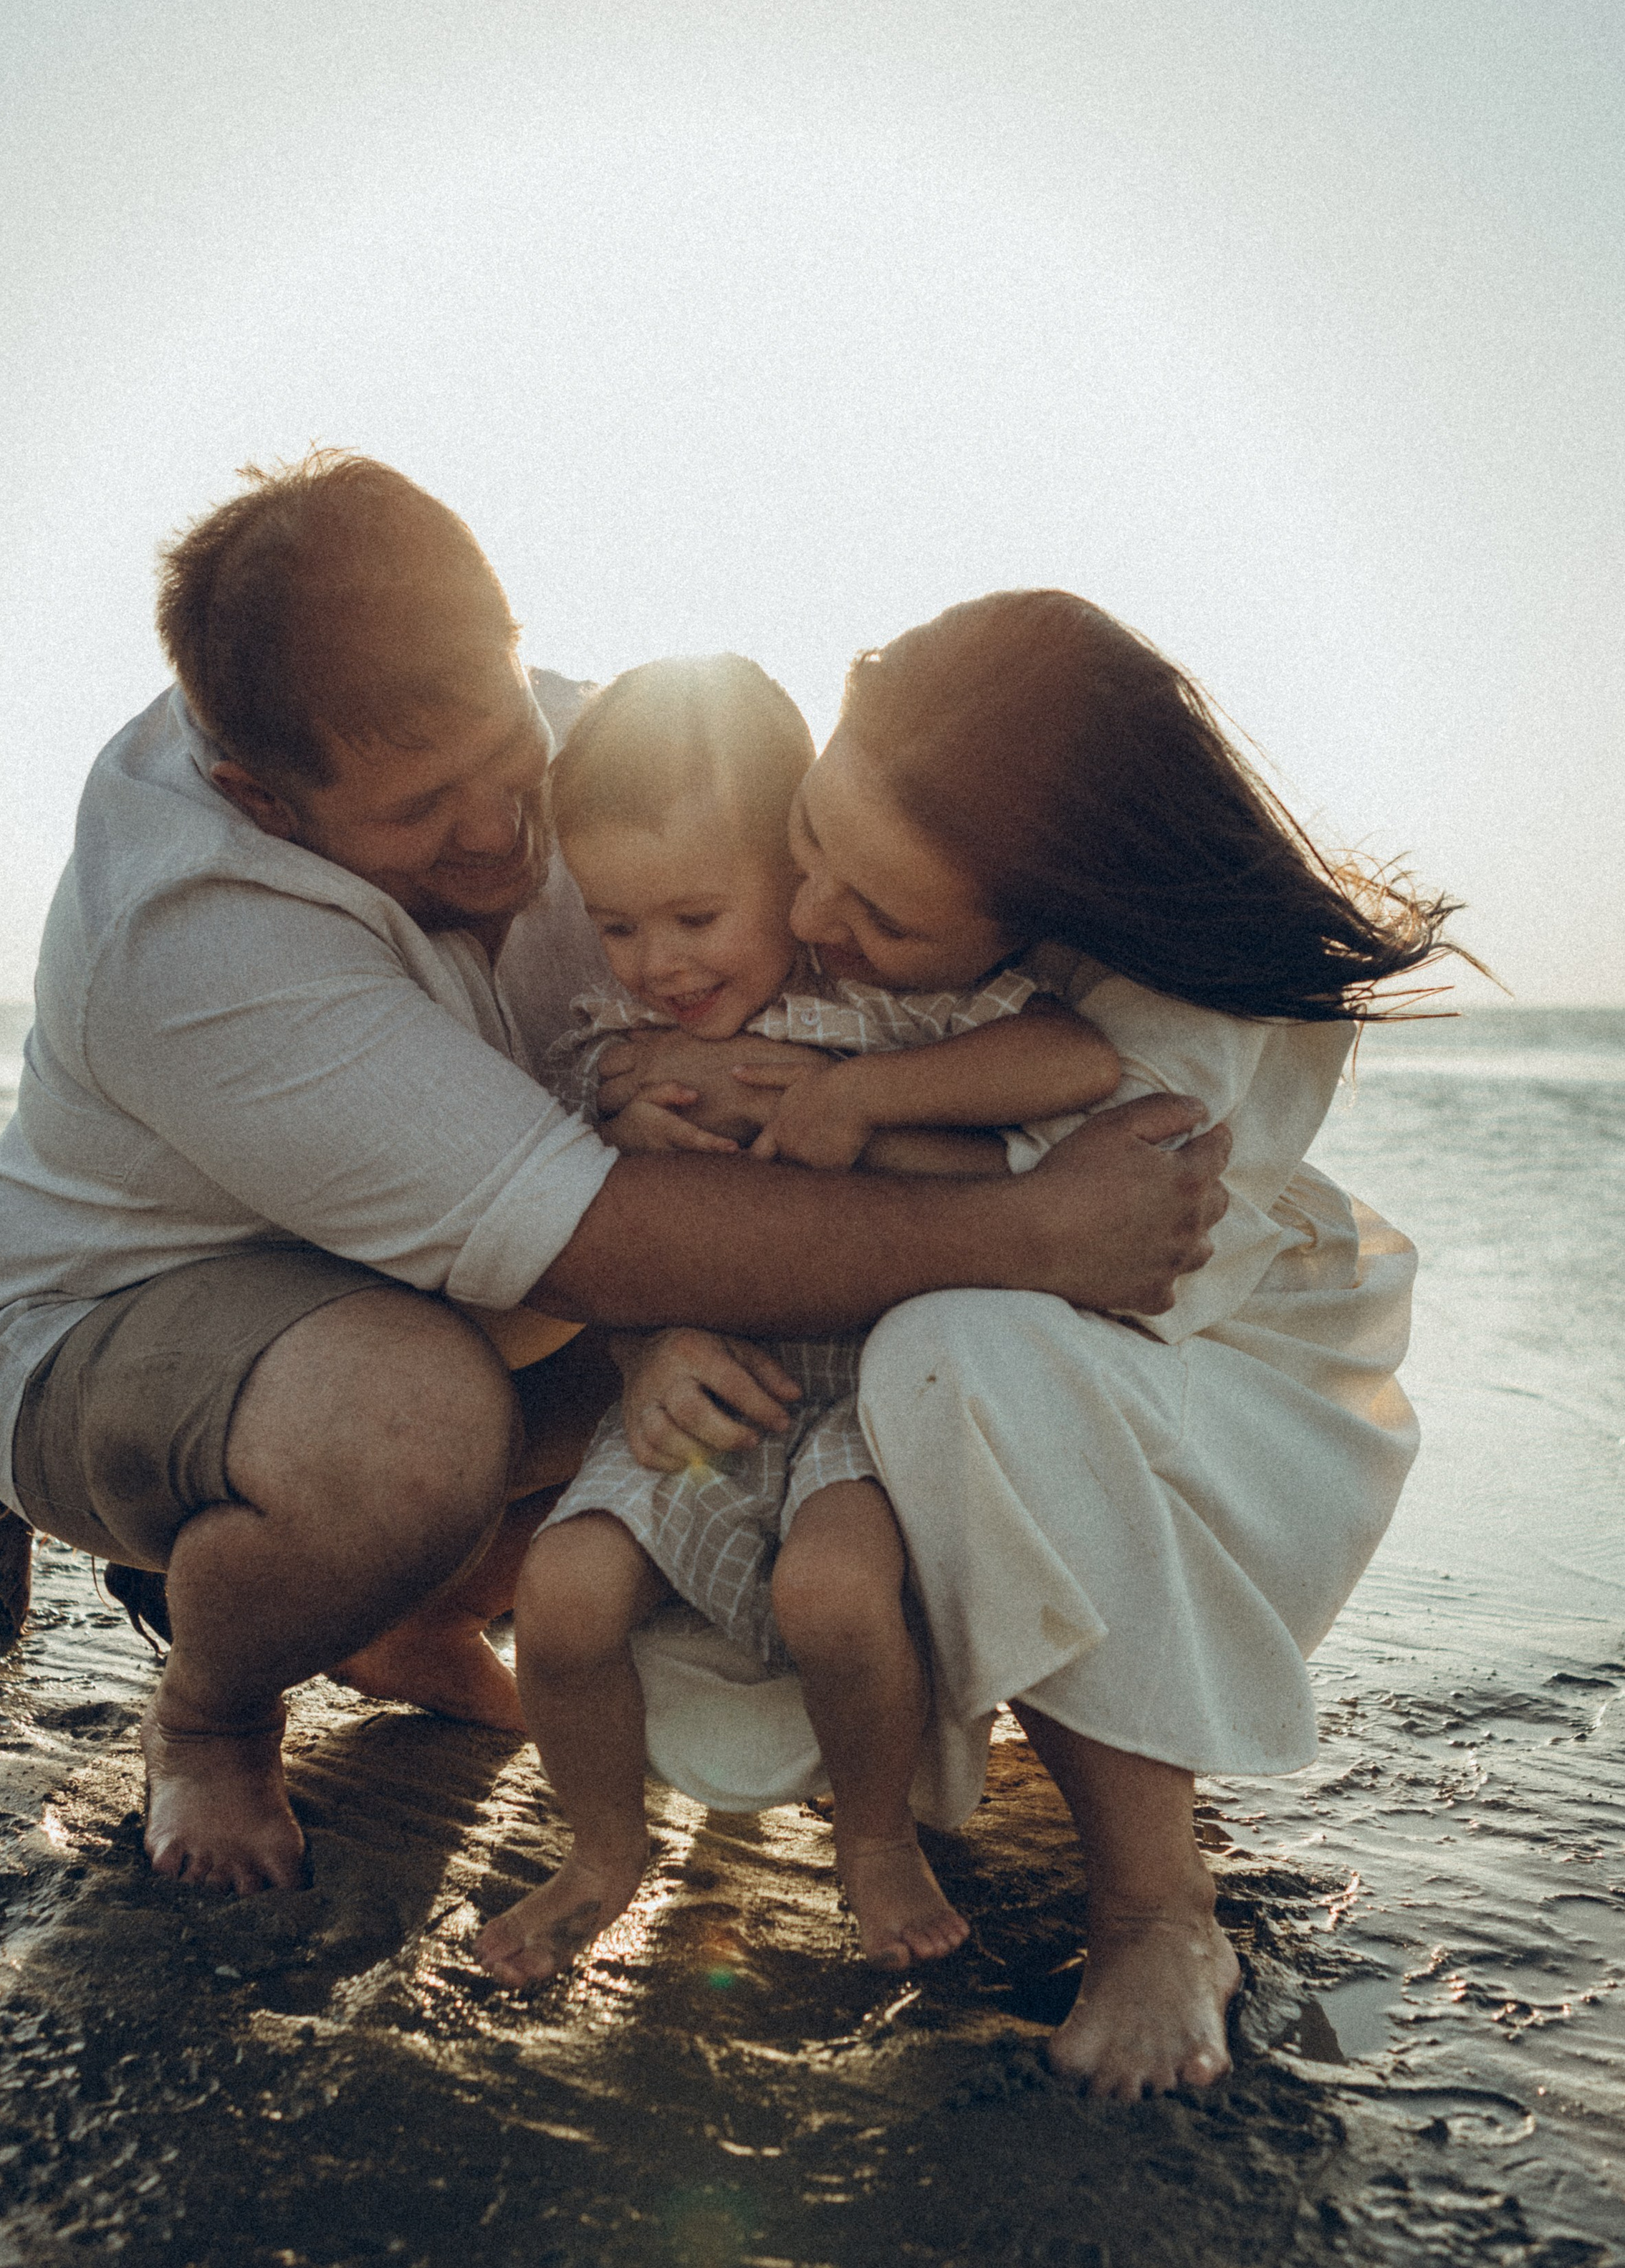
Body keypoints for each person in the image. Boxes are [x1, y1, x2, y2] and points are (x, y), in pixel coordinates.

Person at [0, 464, 1232, 1906]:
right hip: (109, 1335)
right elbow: (602, 1244)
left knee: (710, 1374)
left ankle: (402, 1612)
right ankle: (216, 1703)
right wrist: (1033, 1231)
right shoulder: (187, 927)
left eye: (508, 751)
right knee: (415, 1427)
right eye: (423, 811)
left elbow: (833, 903)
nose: (499, 832)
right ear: (261, 797)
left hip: (441, 1290)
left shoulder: (583, 745)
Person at [590, 590, 1459, 2099]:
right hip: (1028, 1380)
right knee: (832, 1392)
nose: (808, 920)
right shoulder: (894, 867)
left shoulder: (1187, 1033)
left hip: (1223, 1406)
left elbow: (1087, 1249)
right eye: (808, 845)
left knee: (958, 1344)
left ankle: (1156, 1908)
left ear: (1046, 908)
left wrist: (812, 1114)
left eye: (875, 914)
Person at [474, 656, 1120, 1982]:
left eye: (697, 916)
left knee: (832, 1593)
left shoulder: (889, 1006)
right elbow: (557, 1182)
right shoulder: (618, 1043)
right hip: (707, 1397)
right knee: (562, 1593)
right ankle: (603, 1848)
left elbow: (1079, 1058)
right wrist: (615, 1122)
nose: (657, 963)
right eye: (617, 926)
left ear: (793, 871)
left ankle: (874, 1840)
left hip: (871, 1396)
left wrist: (869, 1096)